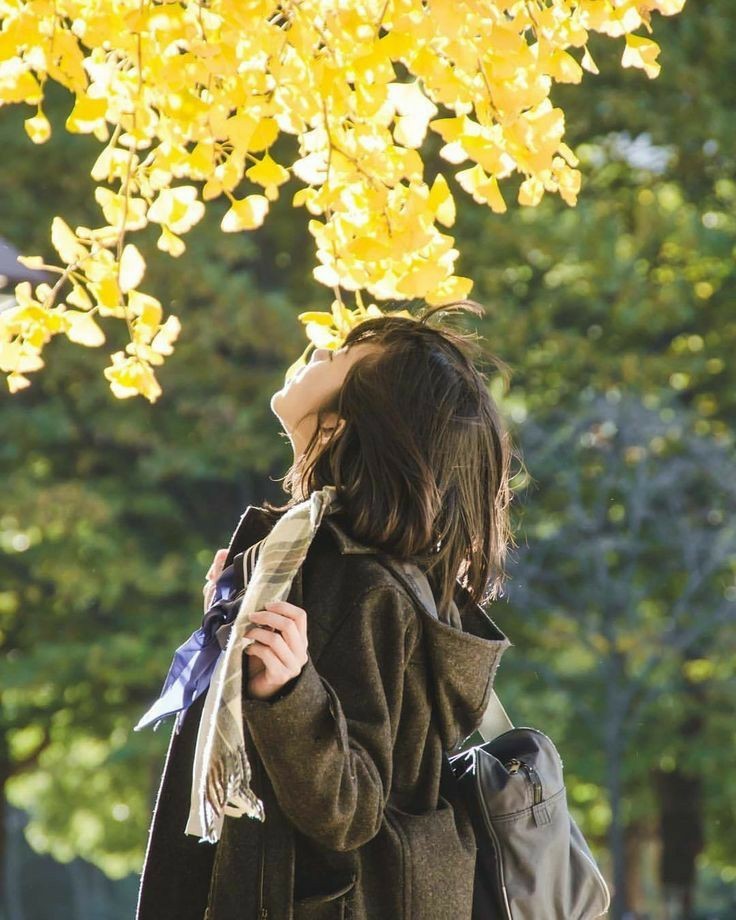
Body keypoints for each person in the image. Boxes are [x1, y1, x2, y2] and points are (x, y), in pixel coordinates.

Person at [136, 300, 517, 920]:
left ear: (343, 425)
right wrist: (232, 630)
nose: (316, 352)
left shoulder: (358, 581)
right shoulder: (317, 557)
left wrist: (288, 692)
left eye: (336, 356)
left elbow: (353, 809)